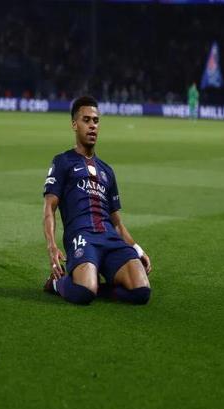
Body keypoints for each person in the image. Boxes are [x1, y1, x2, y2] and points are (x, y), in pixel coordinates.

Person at [42, 96, 152, 305]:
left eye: (96, 120)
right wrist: (52, 246)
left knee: (141, 291)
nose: (92, 125)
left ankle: (94, 287)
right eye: (86, 120)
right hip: (82, 236)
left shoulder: (107, 171)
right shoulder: (63, 162)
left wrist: (138, 249)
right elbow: (49, 207)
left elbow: (117, 223)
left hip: (109, 238)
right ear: (74, 124)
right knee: (84, 293)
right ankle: (57, 283)